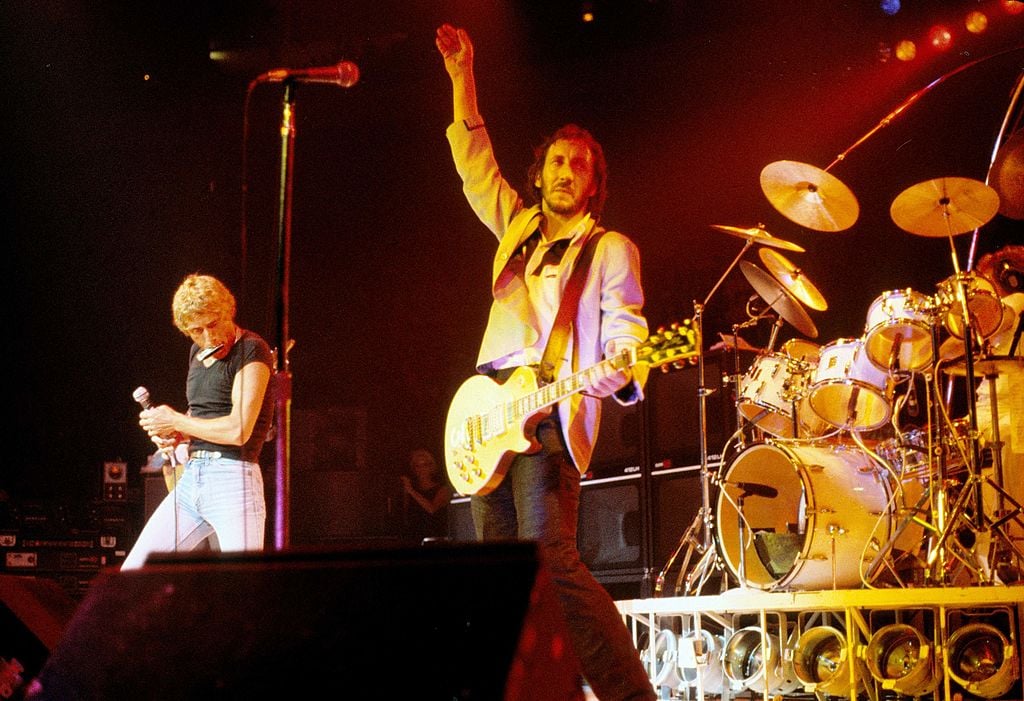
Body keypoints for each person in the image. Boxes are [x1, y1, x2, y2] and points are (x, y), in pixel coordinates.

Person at [436, 24, 655, 701]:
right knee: (501, 572)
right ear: (540, 175)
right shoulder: (517, 226)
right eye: (556, 161)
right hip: (485, 409)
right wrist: (461, 74)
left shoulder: (611, 247)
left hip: (549, 413)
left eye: (579, 165)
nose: (565, 171)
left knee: (552, 559)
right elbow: (475, 163)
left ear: (595, 184)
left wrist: (623, 364)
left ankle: (630, 693)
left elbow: (628, 332)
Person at [122, 273, 274, 570]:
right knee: (132, 575)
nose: (208, 337)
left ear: (228, 311)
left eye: (213, 324)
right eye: (196, 331)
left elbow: (239, 429)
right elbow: (202, 416)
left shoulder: (253, 350)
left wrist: (176, 419)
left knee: (241, 590)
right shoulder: (197, 352)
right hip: (193, 478)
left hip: (235, 481)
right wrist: (176, 432)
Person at [400, 448, 453, 542]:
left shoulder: (443, 489)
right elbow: (406, 516)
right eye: (417, 465)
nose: (422, 469)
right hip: (413, 538)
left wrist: (411, 491)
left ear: (432, 466)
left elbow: (432, 509)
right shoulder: (411, 489)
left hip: (434, 539)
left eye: (425, 465)